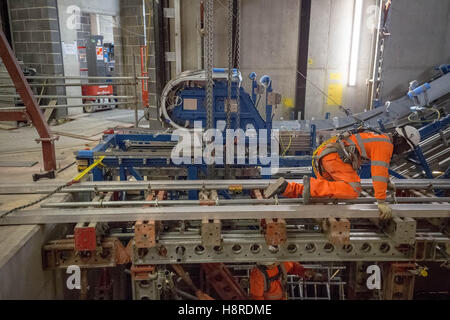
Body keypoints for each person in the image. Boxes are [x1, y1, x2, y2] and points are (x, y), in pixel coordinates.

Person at [264, 126, 421, 219]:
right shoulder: (385, 144)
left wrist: (387, 183)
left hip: (324, 157)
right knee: (353, 189)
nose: (403, 152)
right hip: (333, 158)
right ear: (400, 140)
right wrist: (381, 201)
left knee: (326, 194)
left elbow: (381, 170)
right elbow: (378, 172)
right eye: (406, 148)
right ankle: (308, 186)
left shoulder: (378, 138)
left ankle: (286, 187)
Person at [249, 261, 319, 300]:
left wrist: (304, 272)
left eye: (274, 263)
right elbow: (257, 297)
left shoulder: (282, 264)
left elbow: (293, 266)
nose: (272, 266)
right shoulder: (258, 274)